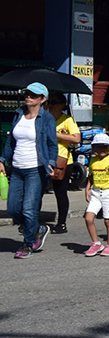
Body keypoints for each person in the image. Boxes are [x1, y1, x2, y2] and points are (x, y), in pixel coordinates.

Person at [2, 82, 57, 258]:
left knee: (28, 209)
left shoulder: (46, 119)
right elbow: (11, 141)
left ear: (42, 99)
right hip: (17, 168)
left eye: (33, 95)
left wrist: (51, 162)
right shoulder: (19, 113)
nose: (28, 97)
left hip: (36, 168)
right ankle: (38, 229)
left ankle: (27, 244)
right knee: (12, 208)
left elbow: (52, 144)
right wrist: (3, 159)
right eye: (27, 94)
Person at [82, 132, 109, 257]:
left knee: (108, 221)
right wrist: (87, 188)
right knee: (88, 218)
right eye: (98, 147)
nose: (101, 149)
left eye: (104, 146)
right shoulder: (93, 161)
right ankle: (96, 243)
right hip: (96, 192)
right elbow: (91, 176)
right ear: (94, 148)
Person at [47, 94, 81, 234]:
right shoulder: (45, 119)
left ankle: (61, 222)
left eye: (54, 102)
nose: (51, 105)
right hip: (45, 159)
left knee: (60, 192)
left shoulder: (67, 120)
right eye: (51, 102)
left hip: (63, 161)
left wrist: (57, 135)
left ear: (61, 105)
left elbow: (76, 138)